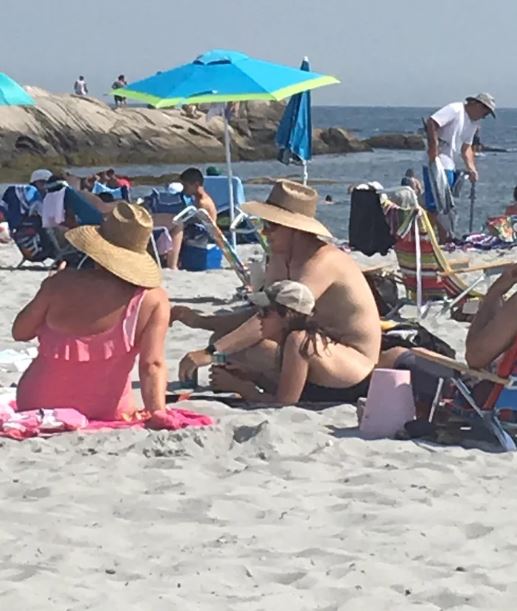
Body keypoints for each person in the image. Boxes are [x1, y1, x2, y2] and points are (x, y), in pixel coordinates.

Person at [173, 180, 381, 402]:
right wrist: (200, 321)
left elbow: (271, 320)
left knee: (285, 343)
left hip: (351, 365)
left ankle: (266, 392)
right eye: (264, 224)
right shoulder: (281, 258)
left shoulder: (321, 262)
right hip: (313, 349)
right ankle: (255, 383)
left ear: (295, 229)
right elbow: (261, 314)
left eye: (272, 226)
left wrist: (209, 353)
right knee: (226, 342)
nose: (264, 232)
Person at [13, 203, 170, 420]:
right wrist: (157, 413)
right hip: (108, 410)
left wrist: (48, 287)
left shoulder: (60, 284)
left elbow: (20, 332)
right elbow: (152, 364)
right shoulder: (153, 299)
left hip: (39, 402)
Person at [210, 280, 372, 404]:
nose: (258, 318)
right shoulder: (295, 339)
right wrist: (253, 377)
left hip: (368, 390)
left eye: (265, 312)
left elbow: (284, 403)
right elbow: (291, 390)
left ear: (287, 316)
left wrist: (241, 388)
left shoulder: (298, 340)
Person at [423, 93, 495, 226]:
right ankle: (430, 237)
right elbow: (432, 122)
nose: (485, 116)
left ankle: (444, 238)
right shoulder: (455, 109)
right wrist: (433, 147)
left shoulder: (474, 123)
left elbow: (466, 147)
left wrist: (471, 168)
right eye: (485, 112)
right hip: (438, 160)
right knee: (435, 202)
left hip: (450, 163)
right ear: (477, 105)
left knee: (446, 204)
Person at [153, 167, 217, 270]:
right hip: (199, 229)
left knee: (176, 225)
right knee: (173, 224)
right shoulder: (197, 198)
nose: (183, 189)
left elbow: (205, 224)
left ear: (196, 185)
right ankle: (168, 260)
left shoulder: (203, 203)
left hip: (203, 233)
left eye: (185, 186)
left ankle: (171, 263)